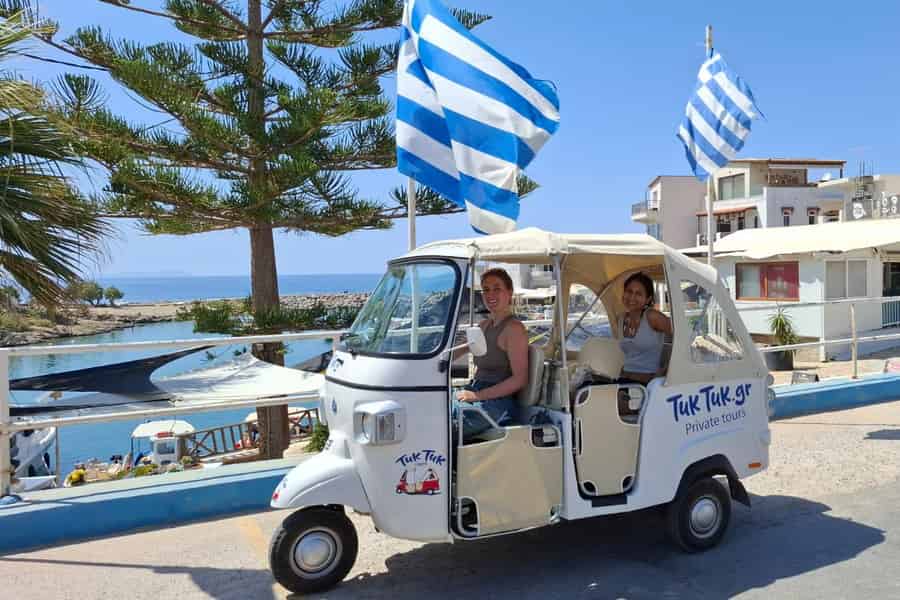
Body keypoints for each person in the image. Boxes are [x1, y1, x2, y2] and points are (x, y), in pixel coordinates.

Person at [454, 268, 529, 442]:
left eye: (497, 288)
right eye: (486, 289)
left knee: (449, 424)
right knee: (436, 409)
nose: (490, 294)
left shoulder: (514, 329)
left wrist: (478, 396)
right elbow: (458, 350)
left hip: (498, 402)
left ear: (509, 292)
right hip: (476, 389)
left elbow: (520, 379)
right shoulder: (483, 326)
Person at [618, 272, 672, 386]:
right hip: (624, 379)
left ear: (648, 299)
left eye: (638, 294)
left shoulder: (652, 317)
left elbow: (681, 336)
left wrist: (666, 369)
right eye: (629, 291)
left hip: (648, 383)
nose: (632, 297)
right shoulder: (621, 319)